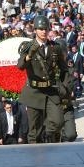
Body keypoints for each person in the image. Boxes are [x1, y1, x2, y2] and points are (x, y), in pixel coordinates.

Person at [17, 15, 69, 143]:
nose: (44, 31)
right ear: (35, 30)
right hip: (34, 91)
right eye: (40, 29)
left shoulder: (55, 47)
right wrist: (29, 55)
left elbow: (64, 69)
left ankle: (47, 132)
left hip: (50, 90)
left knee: (58, 122)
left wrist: (66, 87)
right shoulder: (27, 46)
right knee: (34, 131)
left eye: (46, 28)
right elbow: (20, 66)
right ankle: (36, 157)